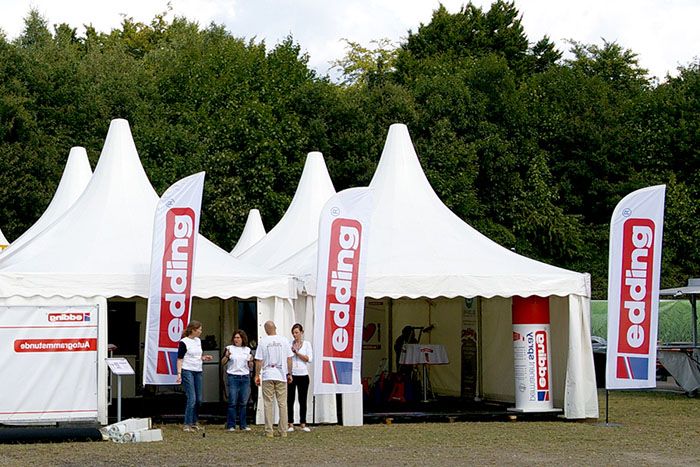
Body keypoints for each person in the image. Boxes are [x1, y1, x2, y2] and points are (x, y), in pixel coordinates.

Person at [254, 320, 293, 438]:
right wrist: (289, 373)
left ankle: (269, 430)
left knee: (268, 403)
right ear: (275, 328)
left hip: (268, 374)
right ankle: (283, 431)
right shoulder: (284, 340)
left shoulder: (263, 342)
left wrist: (257, 374)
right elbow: (289, 358)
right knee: (282, 403)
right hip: (281, 375)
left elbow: (259, 360)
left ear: (266, 330)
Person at [176, 320, 213, 432]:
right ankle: (187, 423)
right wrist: (179, 373)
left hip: (198, 370)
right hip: (187, 370)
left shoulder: (198, 341)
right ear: (193, 330)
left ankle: (194, 421)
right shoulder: (184, 342)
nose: (201, 332)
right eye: (199, 329)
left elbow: (197, 356)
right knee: (191, 398)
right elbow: (180, 359)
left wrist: (203, 358)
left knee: (199, 399)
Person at [221, 329, 253, 432]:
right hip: (233, 376)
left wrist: (251, 362)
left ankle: (243, 425)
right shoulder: (229, 348)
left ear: (243, 339)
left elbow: (251, 365)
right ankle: (231, 424)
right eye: (235, 337)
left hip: (244, 377)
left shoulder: (247, 350)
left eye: (238, 338)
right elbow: (222, 362)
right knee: (232, 401)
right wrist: (226, 356)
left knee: (243, 402)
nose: (236, 339)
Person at [287, 323, 313, 433]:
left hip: (303, 375)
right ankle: (290, 423)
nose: (295, 335)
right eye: (293, 333)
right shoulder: (289, 344)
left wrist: (297, 353)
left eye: (297, 332)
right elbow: (287, 358)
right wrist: (289, 374)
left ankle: (303, 423)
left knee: (303, 399)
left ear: (301, 333)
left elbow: (309, 359)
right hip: (292, 375)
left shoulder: (307, 344)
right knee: (290, 399)